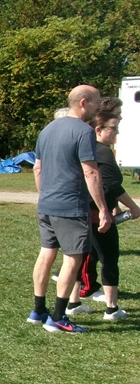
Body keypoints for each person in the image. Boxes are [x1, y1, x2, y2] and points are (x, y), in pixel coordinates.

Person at [28, 85, 111, 333]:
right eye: (96, 102)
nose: (98, 108)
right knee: (73, 258)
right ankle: (58, 317)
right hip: (71, 207)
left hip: (46, 204)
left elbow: (37, 168)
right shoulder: (84, 131)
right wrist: (103, 209)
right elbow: (91, 172)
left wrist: (45, 196)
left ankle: (38, 311)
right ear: (83, 102)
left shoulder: (47, 129)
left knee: (46, 254)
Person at [64, 112, 138, 320]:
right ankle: (111, 308)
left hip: (79, 212)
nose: (116, 133)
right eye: (113, 128)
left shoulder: (84, 148)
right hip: (97, 216)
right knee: (109, 258)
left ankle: (73, 302)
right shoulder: (103, 151)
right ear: (98, 129)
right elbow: (112, 185)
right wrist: (132, 207)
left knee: (79, 258)